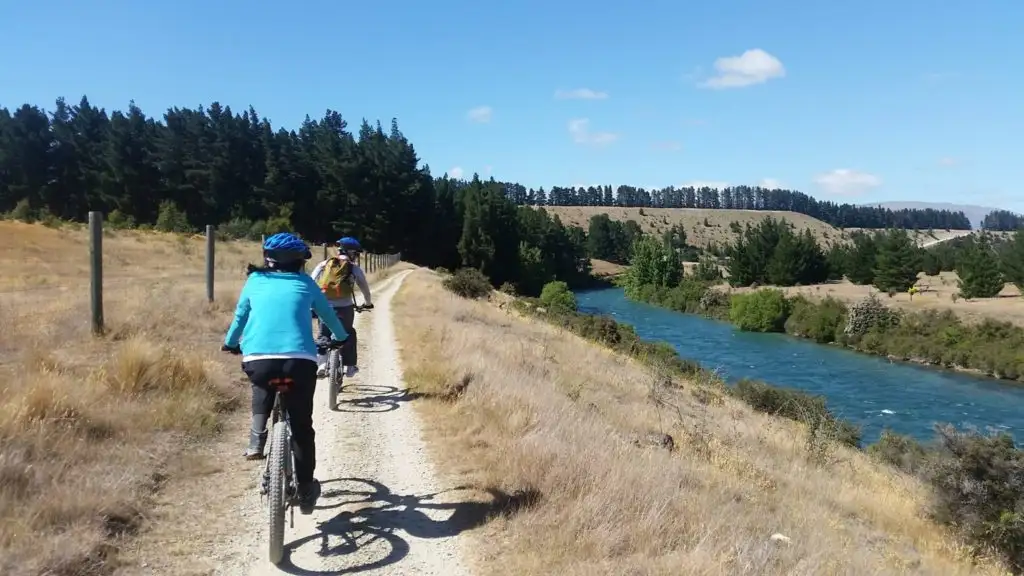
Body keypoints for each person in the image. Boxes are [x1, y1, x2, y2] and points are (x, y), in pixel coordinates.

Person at [222, 232, 349, 512]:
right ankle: (305, 489)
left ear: (268, 259)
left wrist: (230, 343)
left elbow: (240, 316)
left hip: (259, 360)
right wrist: (341, 337)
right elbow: (327, 315)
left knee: (262, 383)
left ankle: (257, 438)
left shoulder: (254, 281)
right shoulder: (305, 283)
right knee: (302, 427)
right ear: (299, 262)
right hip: (300, 361)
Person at [310, 236, 372, 378]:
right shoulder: (353, 268)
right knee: (348, 333)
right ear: (350, 252)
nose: (356, 256)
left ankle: (322, 363)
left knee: (323, 333)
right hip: (344, 307)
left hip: (324, 306)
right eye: (355, 253)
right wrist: (368, 303)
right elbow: (365, 288)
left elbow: (311, 281)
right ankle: (349, 366)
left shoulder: (324, 264)